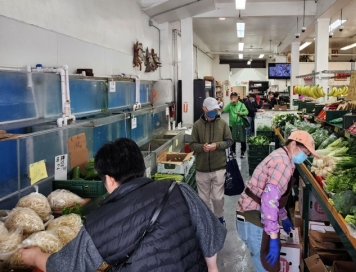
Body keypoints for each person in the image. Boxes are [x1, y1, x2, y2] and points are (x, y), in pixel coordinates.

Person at [19, 138, 226, 272]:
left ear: (108, 179)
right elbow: (210, 233)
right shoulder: (177, 189)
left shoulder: (99, 224)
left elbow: (65, 267)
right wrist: (213, 268)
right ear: (141, 168)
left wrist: (35, 256)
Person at [236, 131, 319, 272]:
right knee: (266, 267)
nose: (305, 157)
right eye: (305, 152)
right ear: (293, 144)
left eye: (308, 155)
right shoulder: (283, 164)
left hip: (249, 214)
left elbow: (275, 195)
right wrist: (273, 237)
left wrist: (283, 216)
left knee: (263, 264)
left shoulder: (282, 156)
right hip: (252, 218)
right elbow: (269, 200)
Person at [190, 97, 233, 227]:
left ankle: (220, 218)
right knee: (203, 199)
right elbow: (192, 144)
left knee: (217, 198)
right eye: (211, 110)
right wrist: (201, 147)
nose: (214, 112)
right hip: (202, 168)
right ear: (204, 109)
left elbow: (229, 141)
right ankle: (207, 221)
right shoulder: (197, 125)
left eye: (216, 110)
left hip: (218, 167)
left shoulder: (223, 124)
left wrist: (217, 145)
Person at [222, 92, 249, 158]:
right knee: (232, 139)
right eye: (232, 97)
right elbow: (224, 110)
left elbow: (246, 112)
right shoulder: (230, 105)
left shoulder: (241, 104)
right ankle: (232, 152)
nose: (233, 98)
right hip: (232, 125)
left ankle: (242, 152)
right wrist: (230, 103)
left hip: (240, 124)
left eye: (235, 97)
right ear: (231, 98)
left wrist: (241, 113)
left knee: (242, 139)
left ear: (237, 98)